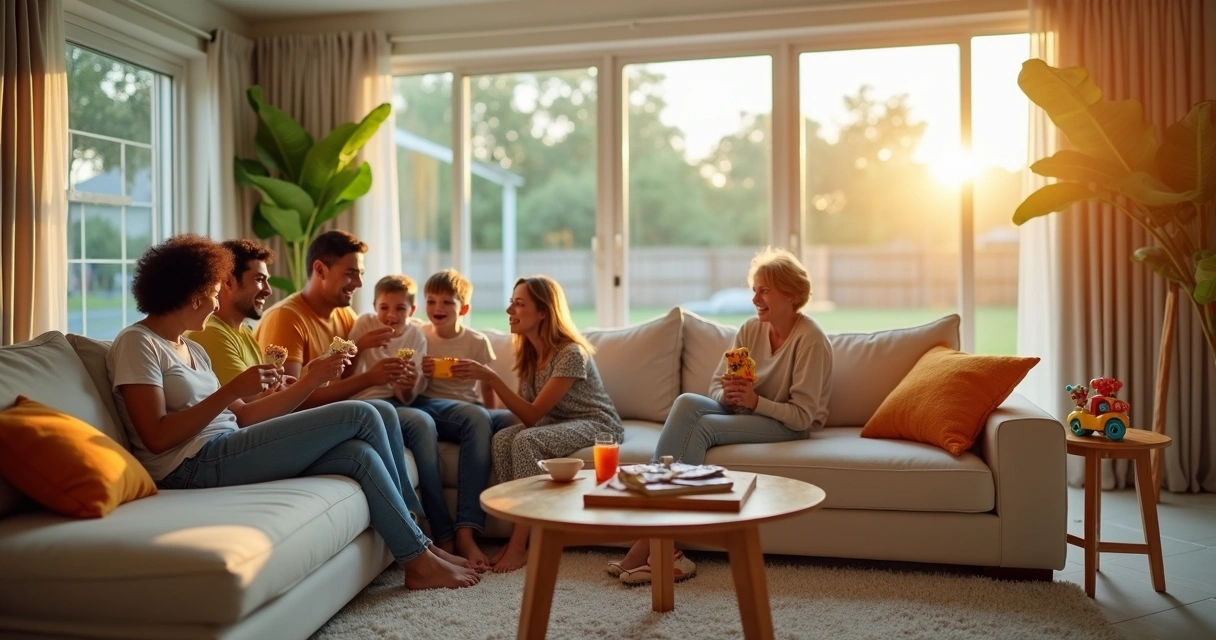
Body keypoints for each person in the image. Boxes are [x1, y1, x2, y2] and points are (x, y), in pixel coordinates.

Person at [105, 234, 479, 589]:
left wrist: (305, 381)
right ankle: (421, 550)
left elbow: (245, 416)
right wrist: (233, 390)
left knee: (358, 455)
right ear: (192, 292)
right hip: (189, 466)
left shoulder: (192, 349)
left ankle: (418, 551)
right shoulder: (138, 343)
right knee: (363, 413)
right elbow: (156, 437)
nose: (217, 305)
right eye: (214, 294)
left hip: (228, 442)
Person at [611, 246, 833, 585]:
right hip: (750, 411)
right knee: (687, 401)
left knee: (704, 428)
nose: (755, 299)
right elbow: (715, 385)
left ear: (790, 294)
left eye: (764, 291)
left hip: (788, 424)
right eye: (754, 290)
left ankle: (650, 543)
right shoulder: (750, 330)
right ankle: (661, 544)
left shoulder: (811, 340)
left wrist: (755, 402)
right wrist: (726, 397)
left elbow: (802, 416)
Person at [252, 231, 451, 556]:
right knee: (393, 415)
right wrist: (370, 378)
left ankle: (427, 534)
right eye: (351, 273)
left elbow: (350, 369)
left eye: (360, 273)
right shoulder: (287, 319)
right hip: (303, 425)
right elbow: (290, 402)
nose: (359, 282)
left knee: (419, 421)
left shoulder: (344, 316)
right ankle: (423, 534)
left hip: (343, 415)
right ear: (320, 269)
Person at [452, 275, 622, 573]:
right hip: (555, 422)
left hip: (596, 423)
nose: (509, 310)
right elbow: (522, 412)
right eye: (511, 303)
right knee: (502, 439)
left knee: (525, 440)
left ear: (543, 311)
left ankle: (519, 545)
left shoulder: (571, 353)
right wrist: (482, 403)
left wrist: (491, 377)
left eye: (519, 304)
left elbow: (532, 417)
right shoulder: (530, 353)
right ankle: (521, 532)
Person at [409, 269, 517, 570]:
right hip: (430, 405)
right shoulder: (419, 336)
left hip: (469, 409)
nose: (438, 308)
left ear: (464, 308)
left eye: (447, 302)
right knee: (475, 416)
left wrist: (490, 417)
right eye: (431, 301)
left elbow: (487, 388)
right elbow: (408, 385)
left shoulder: (476, 341)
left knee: (513, 420)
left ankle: (520, 516)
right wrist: (419, 372)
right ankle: (466, 533)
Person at [185, 240, 275, 385]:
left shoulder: (245, 333)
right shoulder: (210, 333)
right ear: (228, 282)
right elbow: (250, 397)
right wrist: (310, 379)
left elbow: (265, 391)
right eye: (259, 279)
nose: (268, 290)